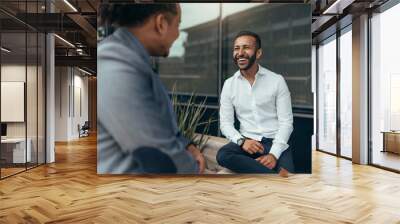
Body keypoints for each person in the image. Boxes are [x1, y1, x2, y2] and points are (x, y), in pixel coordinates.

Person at [97, 3, 205, 174]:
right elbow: (158, 156)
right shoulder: (116, 63)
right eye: (178, 25)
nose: (178, 34)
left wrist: (188, 145)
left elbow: (158, 124)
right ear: (161, 23)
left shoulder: (132, 59)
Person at [217, 31, 295, 176]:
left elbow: (286, 123)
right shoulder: (229, 84)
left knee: (286, 173)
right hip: (247, 142)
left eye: (246, 47)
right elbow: (225, 124)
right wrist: (241, 141)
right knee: (223, 155)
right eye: (236, 48)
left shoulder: (277, 81)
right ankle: (272, 176)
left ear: (258, 53)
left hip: (275, 142)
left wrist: (273, 155)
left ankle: (269, 174)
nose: (240, 53)